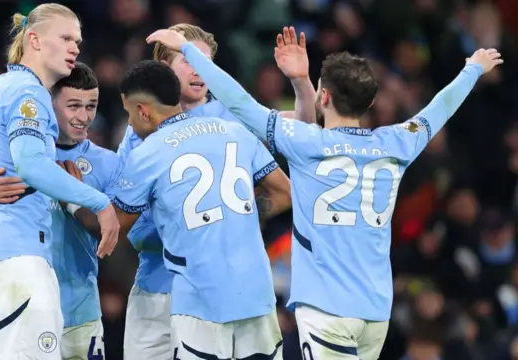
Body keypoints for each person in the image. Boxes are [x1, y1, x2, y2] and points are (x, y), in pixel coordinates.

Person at [146, 28, 503, 360]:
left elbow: (239, 102)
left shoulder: (304, 142)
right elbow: (439, 108)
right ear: (371, 100)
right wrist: (472, 69)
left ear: (325, 96)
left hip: (326, 309)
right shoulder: (399, 142)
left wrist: (190, 51)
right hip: (376, 311)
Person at [119, 23, 304, 360]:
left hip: (220, 289)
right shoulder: (138, 129)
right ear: (164, 69)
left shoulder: (233, 115)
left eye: (206, 62)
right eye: (188, 60)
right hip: (156, 283)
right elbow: (125, 212)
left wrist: (240, 210)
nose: (199, 70)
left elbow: (298, 128)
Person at [0, 4, 119, 358]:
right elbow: (31, 165)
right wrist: (98, 203)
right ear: (35, 41)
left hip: (1, 259)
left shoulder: (3, 86)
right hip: (15, 256)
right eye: (66, 38)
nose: (75, 48)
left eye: (78, 41)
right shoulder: (28, 92)